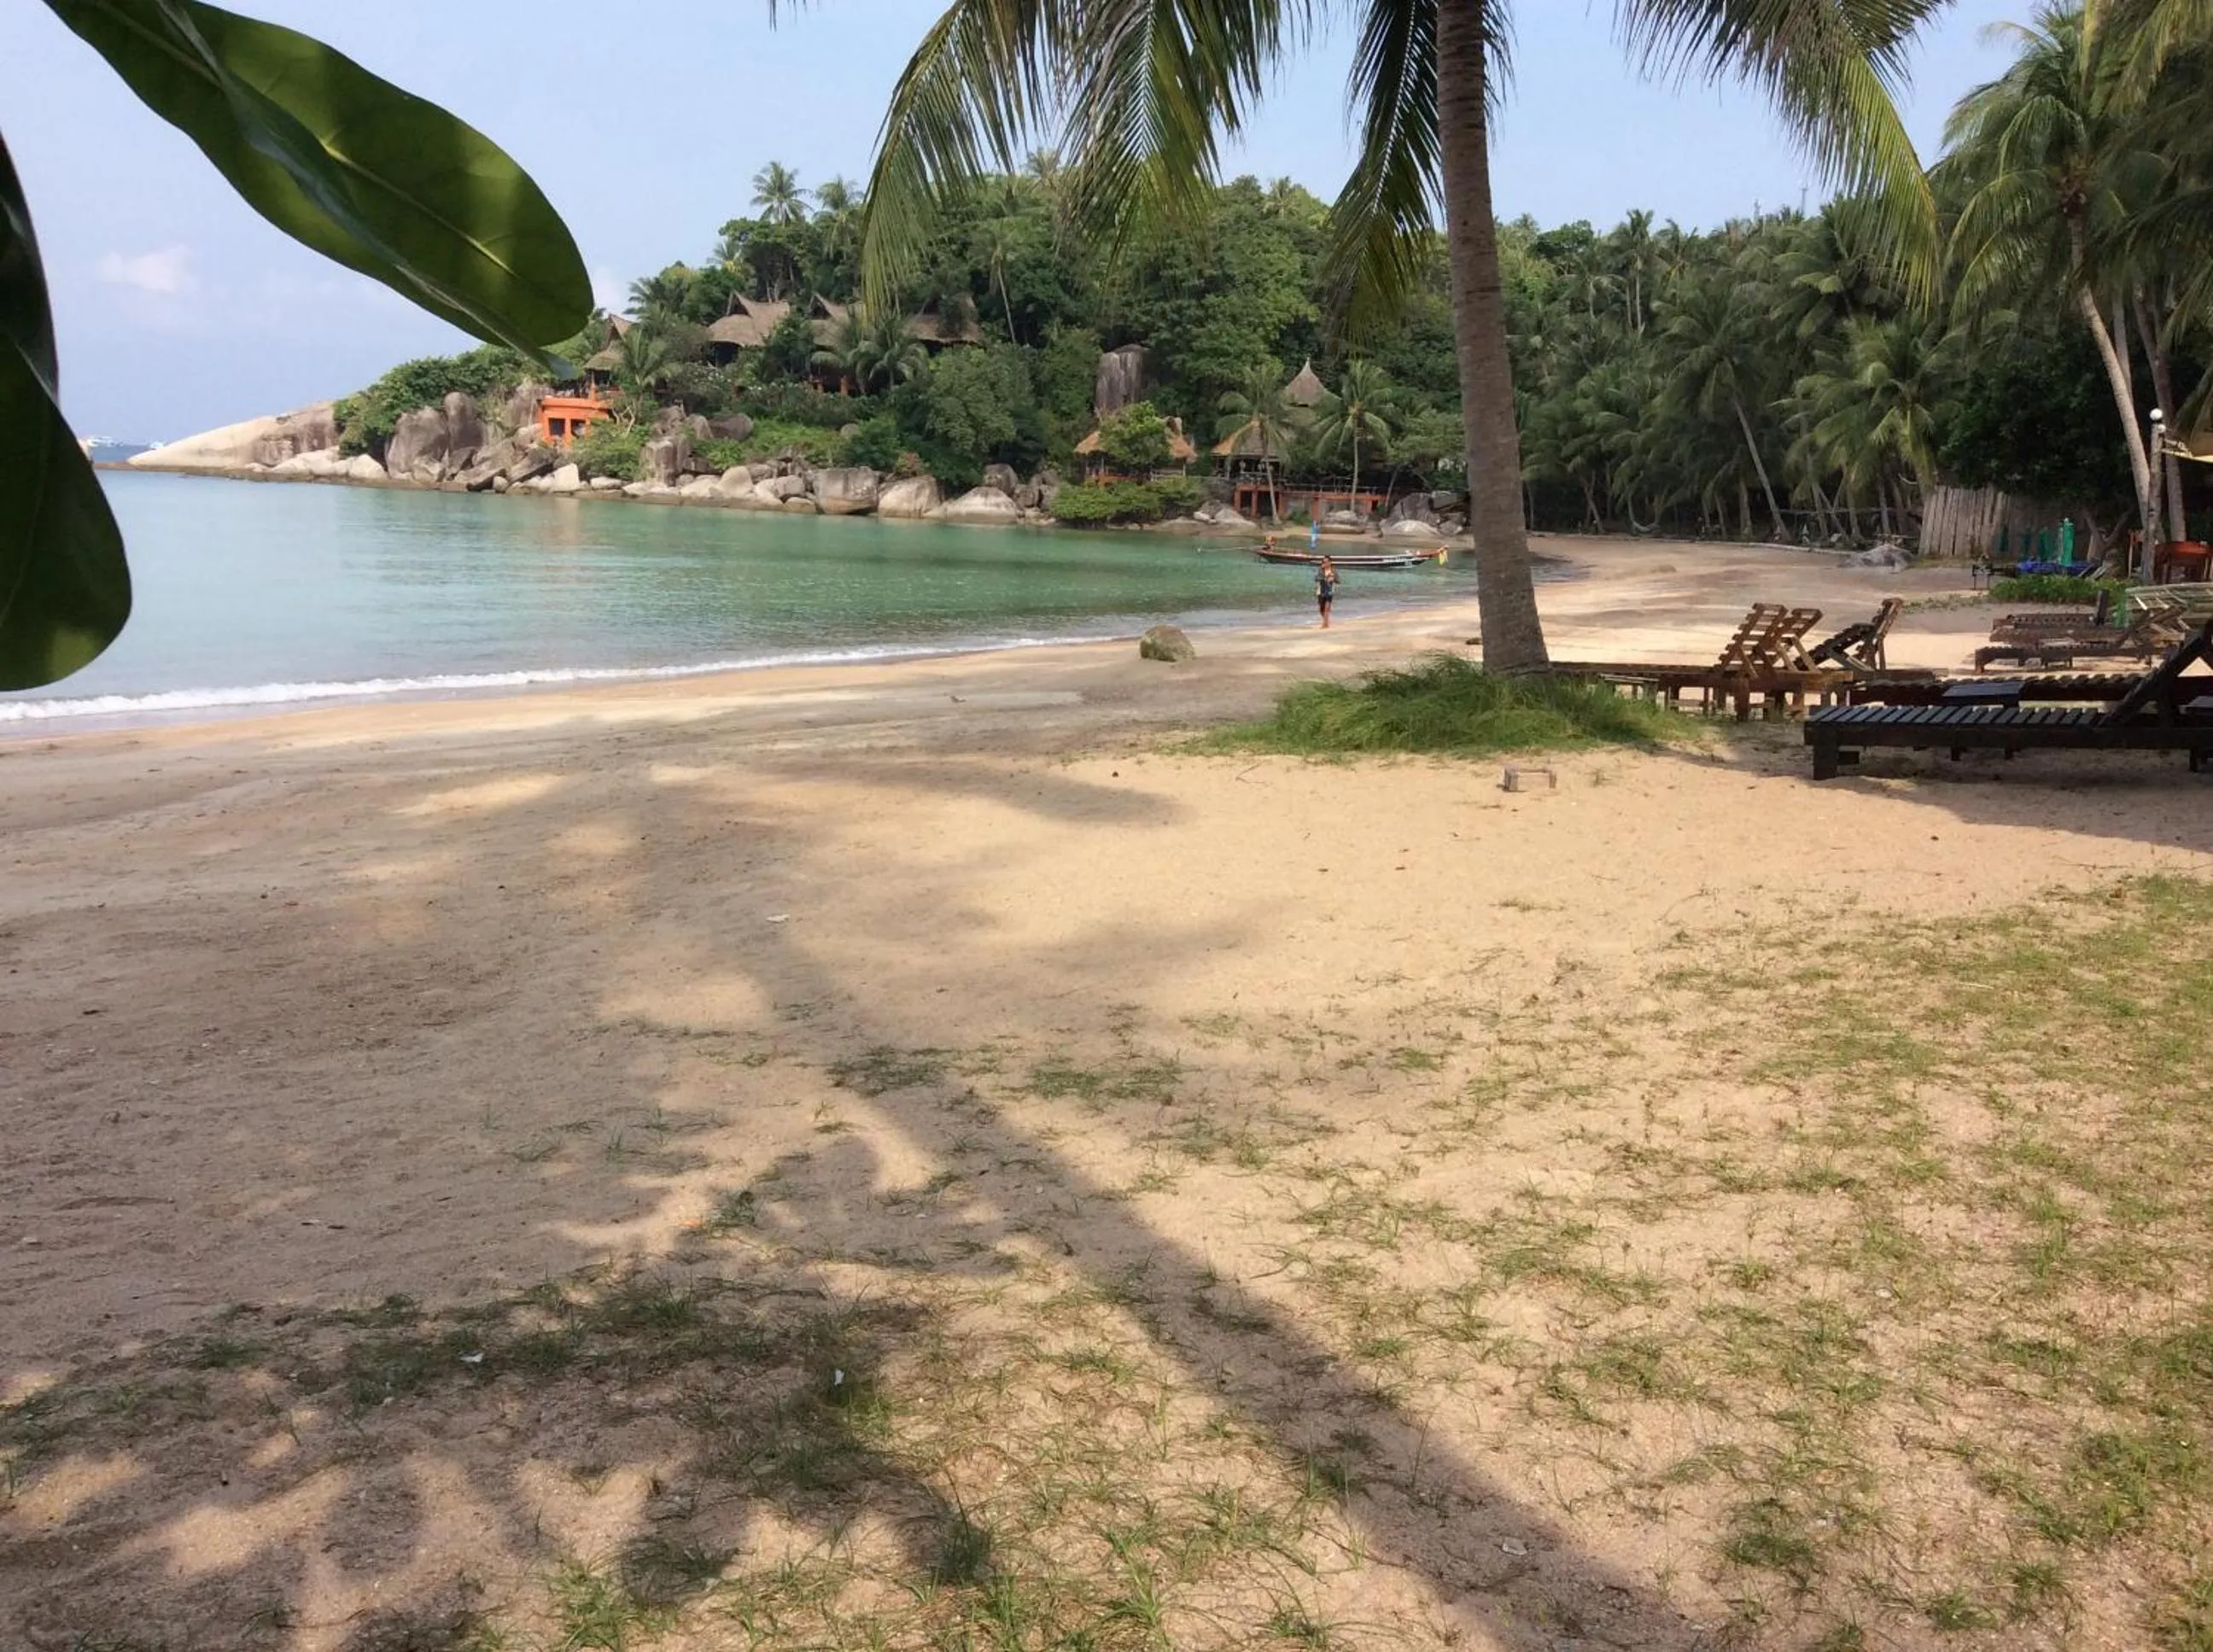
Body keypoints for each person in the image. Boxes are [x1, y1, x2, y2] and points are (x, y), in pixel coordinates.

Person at [1314, 556, 1337, 628]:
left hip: (1329, 591)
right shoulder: (1320, 570)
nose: (1325, 563)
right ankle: (1326, 621)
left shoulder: (1333, 571)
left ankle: (1325, 624)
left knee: (1327, 608)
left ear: (1330, 562)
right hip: (1321, 591)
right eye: (1323, 562)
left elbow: (1338, 580)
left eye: (1326, 562)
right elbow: (1316, 578)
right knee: (1321, 609)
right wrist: (1325, 577)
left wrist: (1333, 579)